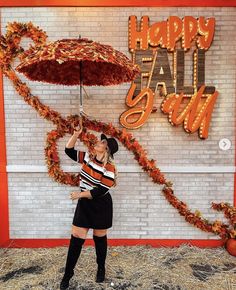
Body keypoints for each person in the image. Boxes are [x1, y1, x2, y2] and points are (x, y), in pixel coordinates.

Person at [60, 120, 119, 290]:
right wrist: (76, 134)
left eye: (102, 142)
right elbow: (68, 150)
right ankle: (67, 274)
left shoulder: (110, 168)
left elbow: (99, 191)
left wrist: (79, 194)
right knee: (77, 238)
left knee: (99, 238)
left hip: (101, 205)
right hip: (85, 205)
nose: (98, 143)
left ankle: (101, 268)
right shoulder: (88, 157)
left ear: (106, 149)